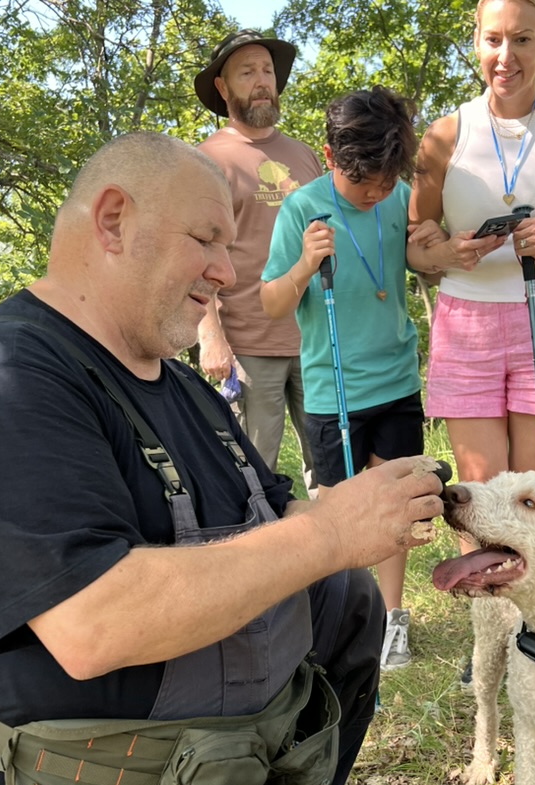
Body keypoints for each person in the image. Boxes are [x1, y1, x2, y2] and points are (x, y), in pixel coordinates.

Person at [0, 131, 445, 785]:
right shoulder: (15, 377)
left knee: (343, 600)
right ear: (113, 220)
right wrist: (327, 533)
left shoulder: (182, 385)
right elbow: (91, 623)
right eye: (205, 240)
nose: (227, 274)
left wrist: (359, 515)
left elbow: (276, 521)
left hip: (205, 776)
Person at [260, 85, 442, 672]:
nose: (377, 194)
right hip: (332, 389)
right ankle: (342, 617)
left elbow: (423, 261)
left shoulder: (400, 197)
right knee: (337, 512)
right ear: (330, 156)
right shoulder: (301, 209)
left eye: (387, 182)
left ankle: (392, 618)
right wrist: (305, 264)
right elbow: (270, 303)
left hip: (397, 382)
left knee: (399, 506)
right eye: (365, 184)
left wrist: (438, 248)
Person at [406, 0, 535, 484]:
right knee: (480, 493)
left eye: (522, 39)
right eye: (493, 39)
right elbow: (414, 245)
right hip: (466, 323)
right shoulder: (443, 134)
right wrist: (443, 253)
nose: (505, 57)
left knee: (532, 491)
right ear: (476, 41)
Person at [194, 29, 322, 496]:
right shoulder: (207, 160)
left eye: (267, 70)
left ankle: (332, 545)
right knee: (252, 472)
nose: (262, 80)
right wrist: (210, 337)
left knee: (330, 469)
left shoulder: (304, 156)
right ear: (223, 87)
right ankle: (257, 543)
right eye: (247, 72)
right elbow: (196, 254)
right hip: (247, 345)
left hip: (314, 341)